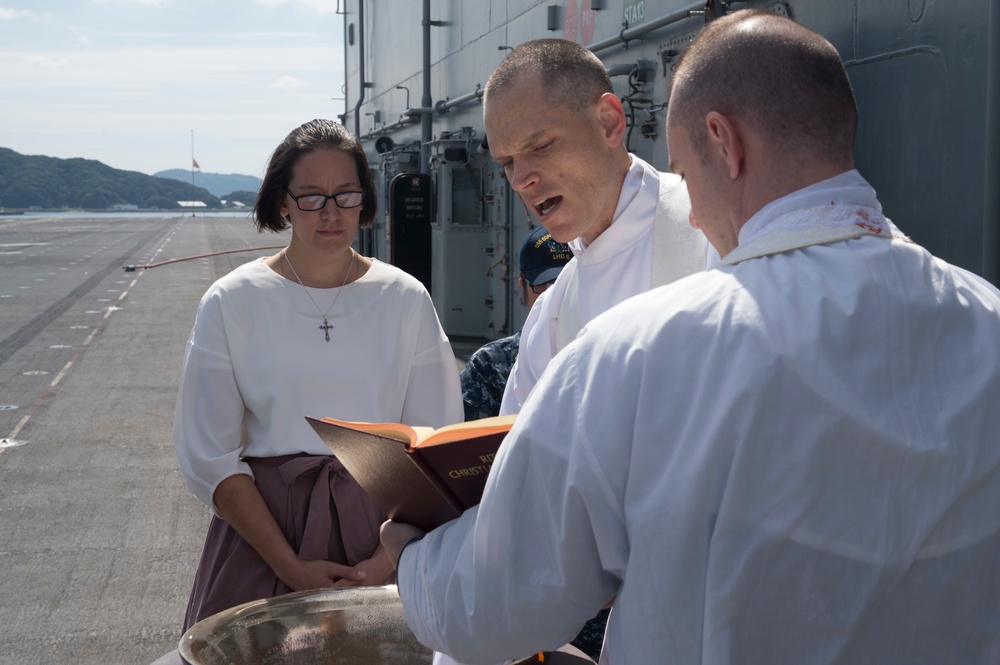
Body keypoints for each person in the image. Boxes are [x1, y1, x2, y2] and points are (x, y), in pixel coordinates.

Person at [383, 10, 1000, 664]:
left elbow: (496, 598)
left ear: (724, 144)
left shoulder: (638, 351)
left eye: (683, 167)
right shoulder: (986, 318)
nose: (695, 214)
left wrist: (413, 564)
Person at [173, 118, 463, 631]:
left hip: (387, 526)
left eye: (345, 195)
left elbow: (435, 443)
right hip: (266, 532)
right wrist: (289, 565)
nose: (331, 213)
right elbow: (209, 457)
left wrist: (386, 560)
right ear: (282, 202)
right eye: (310, 196)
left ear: (364, 199)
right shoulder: (231, 301)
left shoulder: (404, 298)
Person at [485, 38, 707, 416]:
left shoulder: (711, 231)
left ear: (608, 122)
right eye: (507, 162)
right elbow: (518, 452)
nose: (520, 180)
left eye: (540, 146)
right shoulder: (552, 313)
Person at [460, 226, 571, 421]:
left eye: (567, 284)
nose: (554, 297)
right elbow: (465, 443)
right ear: (522, 287)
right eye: (545, 286)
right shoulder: (489, 366)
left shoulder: (602, 357)